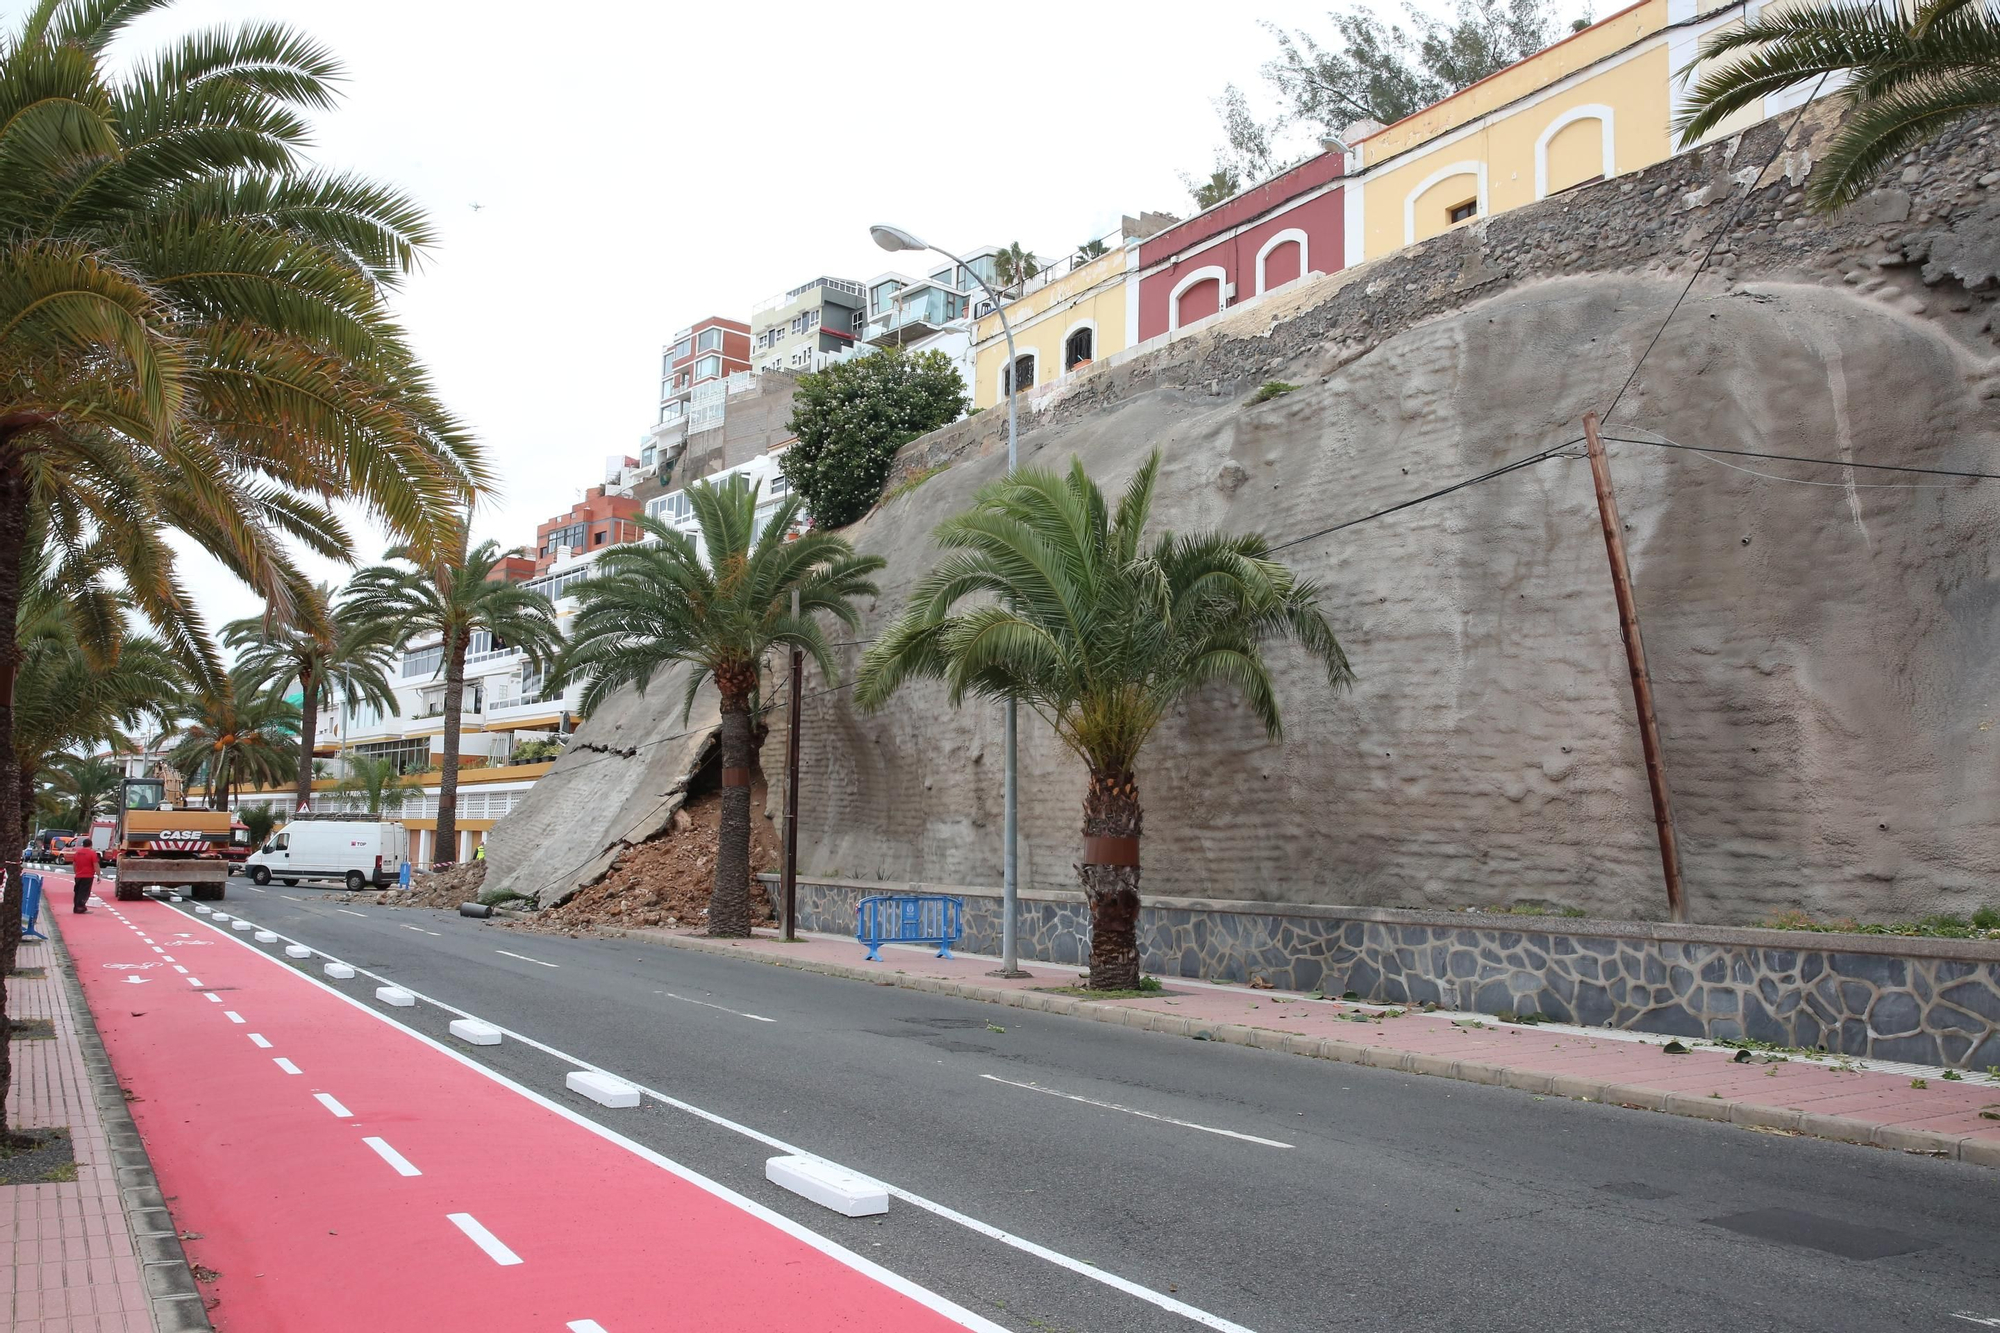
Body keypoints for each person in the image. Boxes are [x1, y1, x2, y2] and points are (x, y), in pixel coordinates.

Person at [69, 839, 99, 913]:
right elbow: (96, 865)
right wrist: (98, 875)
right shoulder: (92, 854)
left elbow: (74, 864)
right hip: (88, 876)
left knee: (77, 891)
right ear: (91, 845)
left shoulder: (77, 853)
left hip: (78, 876)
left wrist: (76, 872)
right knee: (84, 893)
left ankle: (76, 907)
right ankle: (81, 908)